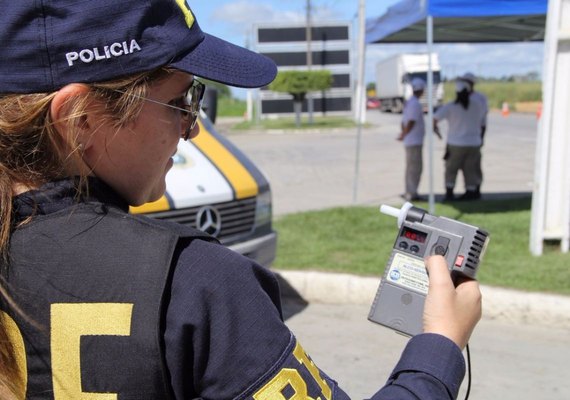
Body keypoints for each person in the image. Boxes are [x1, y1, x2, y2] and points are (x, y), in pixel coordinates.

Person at [0, 1, 482, 399]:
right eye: (182, 101)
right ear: (79, 120)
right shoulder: (195, 284)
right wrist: (439, 344)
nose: (191, 128)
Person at [434, 80, 486, 201]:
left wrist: (438, 133)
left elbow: (434, 119)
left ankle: (450, 192)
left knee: (451, 169)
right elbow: (483, 124)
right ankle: (471, 191)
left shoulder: (451, 106)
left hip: (456, 144)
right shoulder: (478, 105)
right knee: (471, 169)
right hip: (474, 143)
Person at [398, 78, 441, 201]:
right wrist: (404, 134)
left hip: (411, 140)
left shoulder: (410, 102)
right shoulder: (415, 104)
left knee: (411, 167)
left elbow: (404, 121)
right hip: (414, 141)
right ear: (421, 90)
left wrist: (403, 133)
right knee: (414, 168)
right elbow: (410, 122)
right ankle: (412, 193)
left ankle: (410, 191)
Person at [459, 72, 489, 197]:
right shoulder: (462, 98)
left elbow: (482, 121)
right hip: (464, 138)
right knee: (467, 167)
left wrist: (481, 137)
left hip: (475, 137)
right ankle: (469, 189)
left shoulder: (479, 99)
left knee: (474, 166)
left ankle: (476, 188)